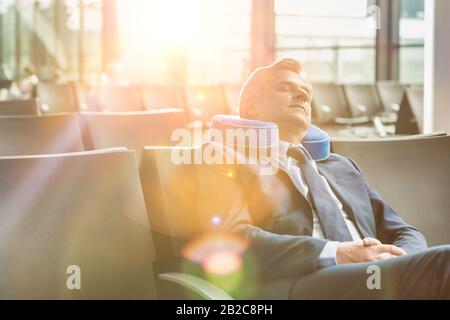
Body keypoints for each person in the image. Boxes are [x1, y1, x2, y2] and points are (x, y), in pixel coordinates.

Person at [223, 58, 450, 299]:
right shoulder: (226, 160)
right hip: (296, 283)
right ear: (251, 106)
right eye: (285, 88)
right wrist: (337, 253)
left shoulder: (341, 166)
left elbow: (404, 231)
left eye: (307, 94)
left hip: (371, 277)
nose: (302, 95)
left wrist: (400, 260)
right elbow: (233, 239)